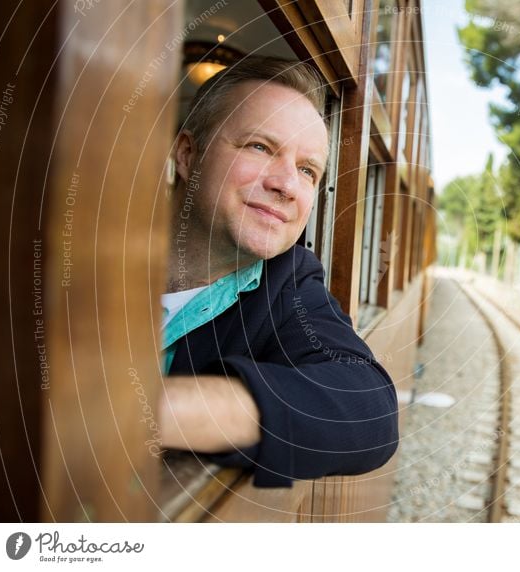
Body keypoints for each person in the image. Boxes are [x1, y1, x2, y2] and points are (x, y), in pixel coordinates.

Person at [157, 56, 398, 487]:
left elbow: (370, 411)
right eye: (260, 147)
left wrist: (151, 409)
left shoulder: (289, 284)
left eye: (307, 171)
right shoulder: (83, 243)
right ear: (188, 155)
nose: (287, 185)